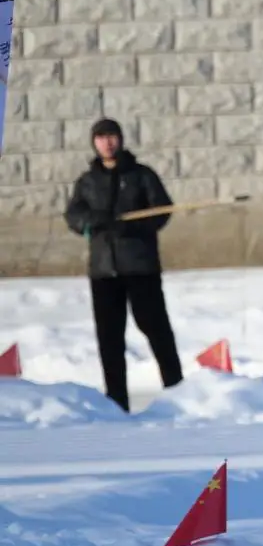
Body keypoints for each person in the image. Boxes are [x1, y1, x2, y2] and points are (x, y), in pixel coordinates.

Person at [62, 118, 184, 412]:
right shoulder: (87, 182)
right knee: (110, 337)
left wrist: (134, 226)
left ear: (121, 139)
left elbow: (162, 211)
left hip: (140, 266)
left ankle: (177, 388)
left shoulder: (142, 176)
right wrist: (93, 222)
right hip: (104, 271)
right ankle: (117, 403)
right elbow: (73, 216)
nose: (108, 143)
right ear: (94, 143)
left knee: (155, 327)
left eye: (112, 137)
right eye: (102, 138)